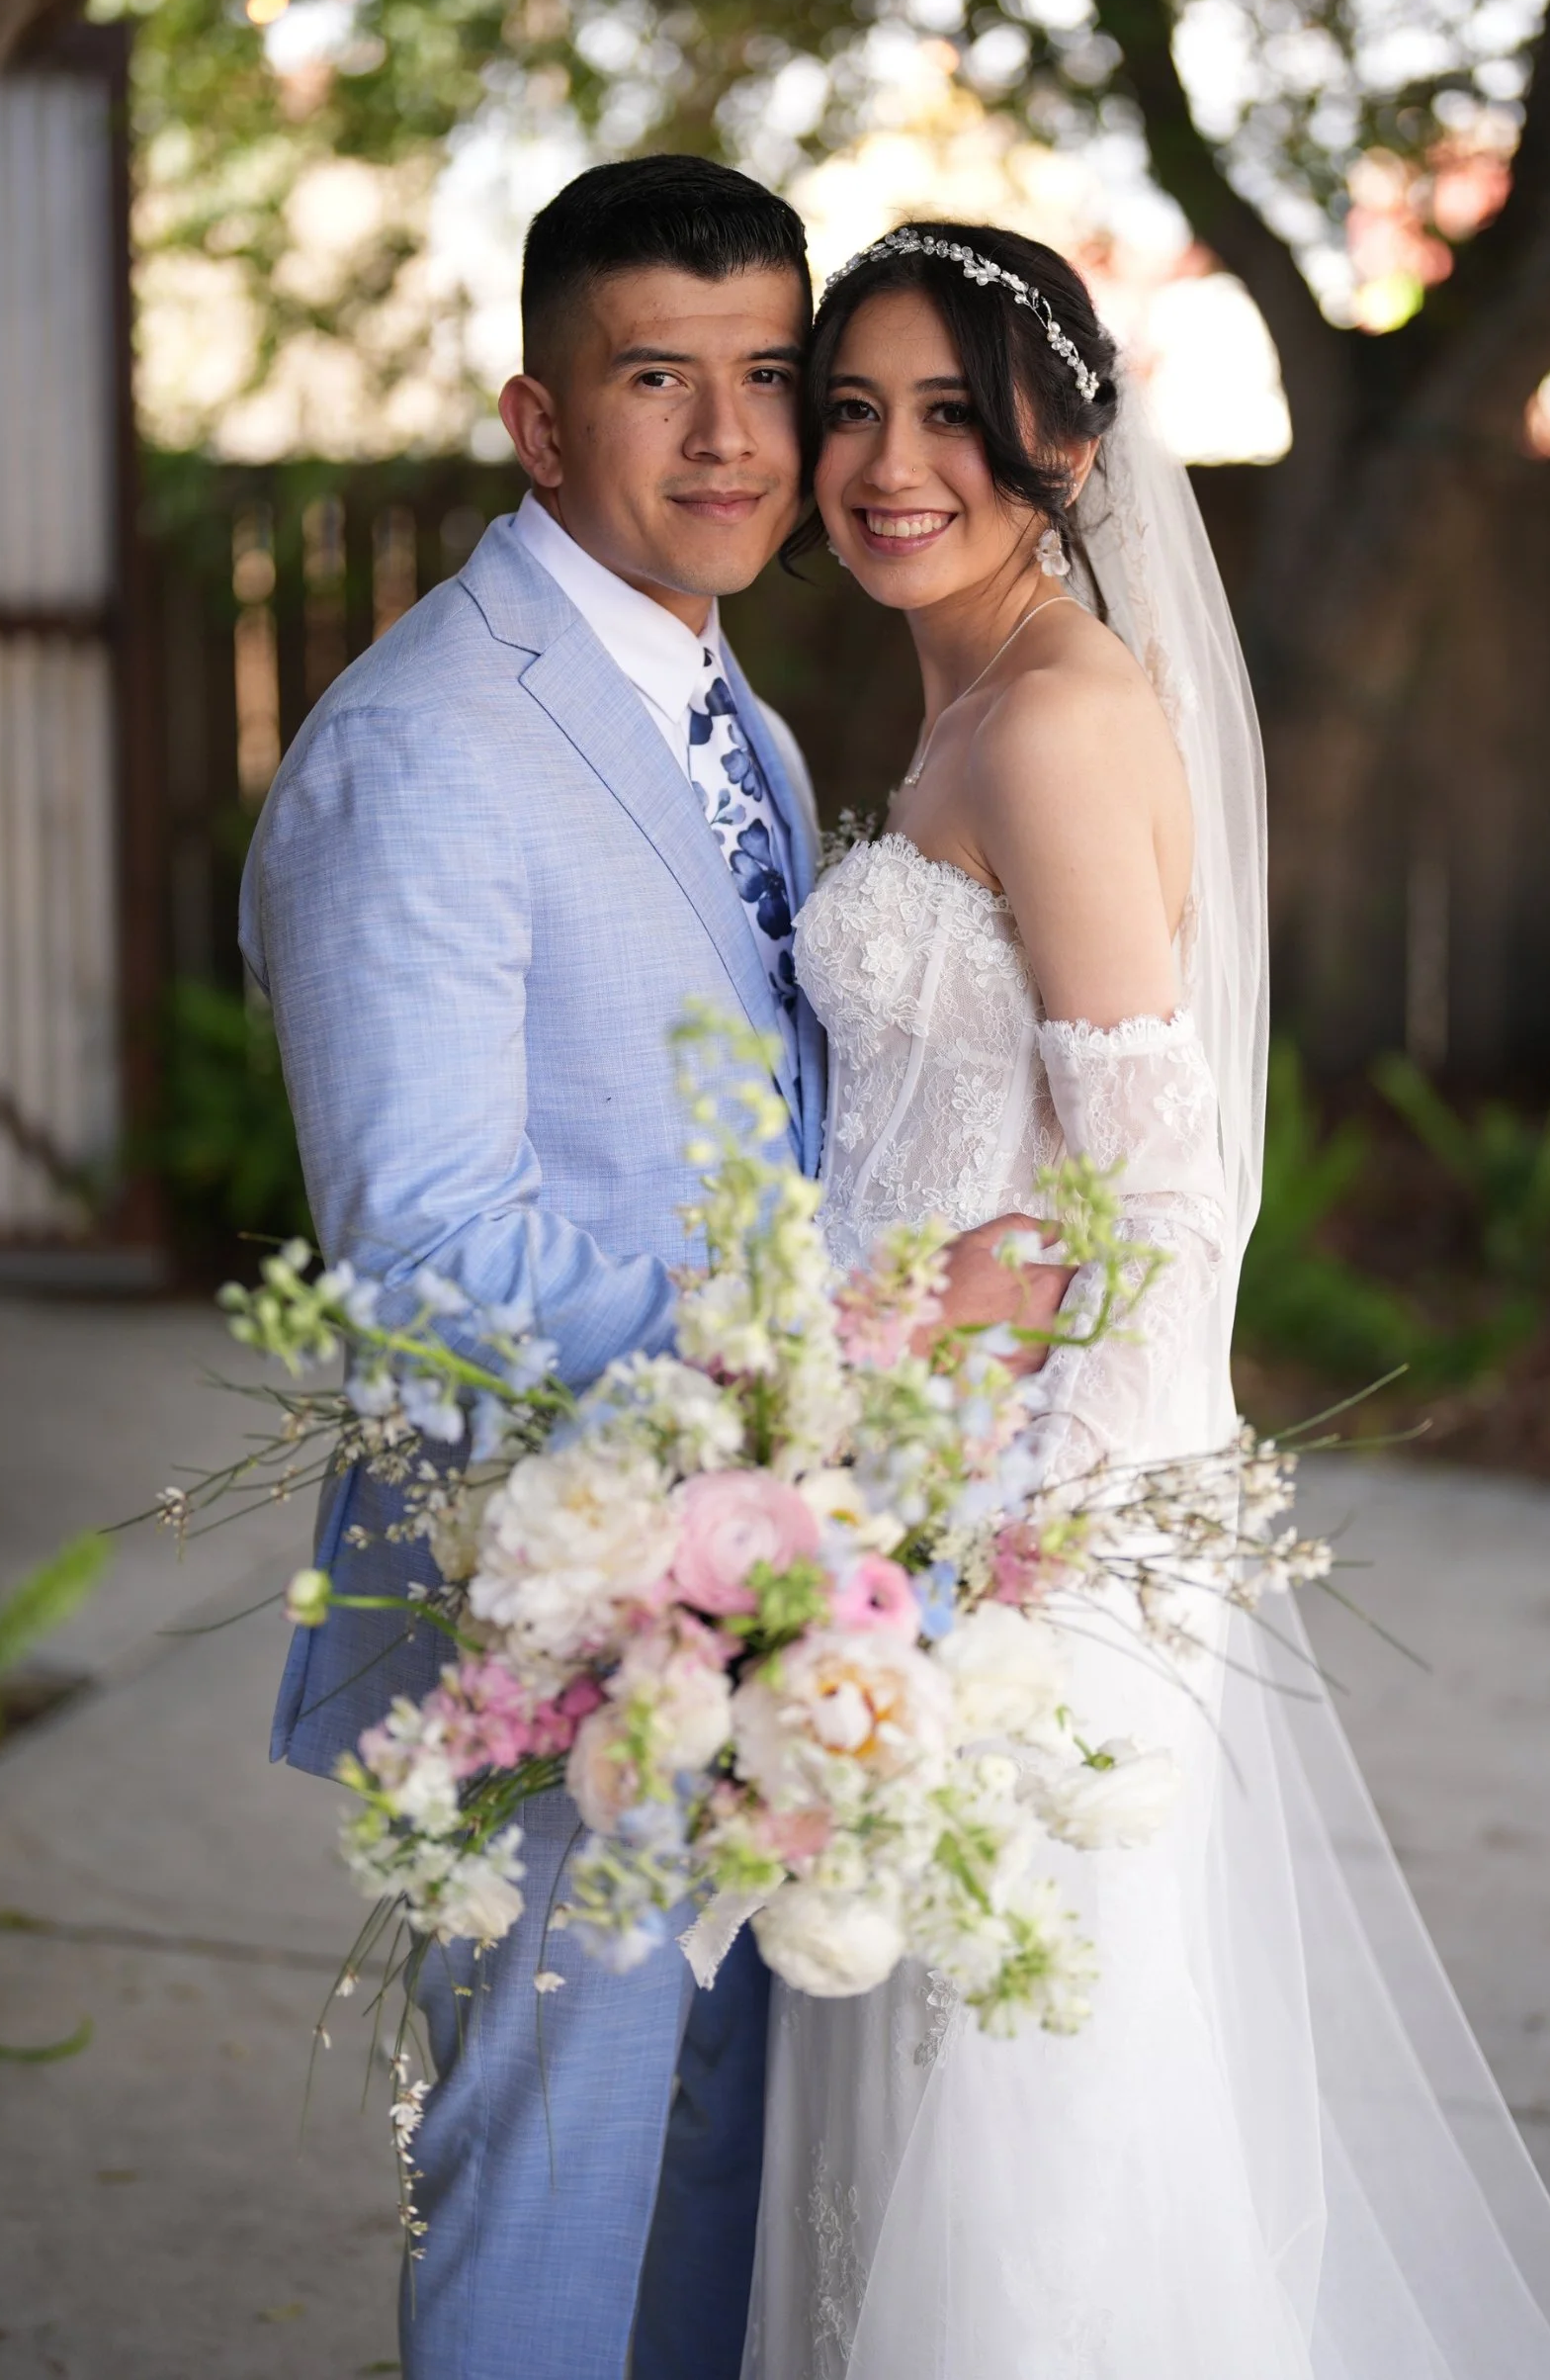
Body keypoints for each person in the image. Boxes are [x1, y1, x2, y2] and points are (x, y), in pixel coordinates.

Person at [743, 221, 1550, 2379]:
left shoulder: (1050, 720)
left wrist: (925, 1444)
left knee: (1036, 2133)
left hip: (1035, 1521)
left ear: (1062, 433)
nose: (885, 461)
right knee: (970, 2091)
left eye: (950, 411)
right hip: (932, 1484)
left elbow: (1144, 1198)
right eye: (847, 407)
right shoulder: (964, 689)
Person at [238, 163, 1067, 2380]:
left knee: (716, 2200)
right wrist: (850, 1346)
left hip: (776, 1594)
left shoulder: (750, 727)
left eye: (769, 379)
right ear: (534, 420)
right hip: (557, 1611)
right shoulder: (416, 753)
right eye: (655, 380)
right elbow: (422, 1259)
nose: (731, 439)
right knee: (557, 2201)